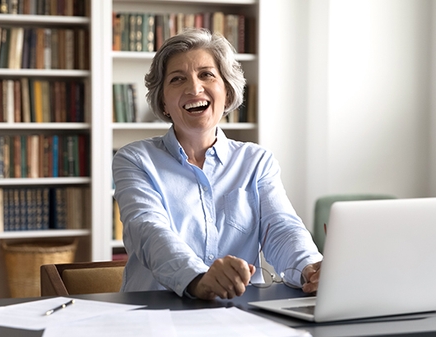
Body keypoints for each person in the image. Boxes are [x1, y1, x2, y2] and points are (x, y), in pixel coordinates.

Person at [112, 28, 322, 300]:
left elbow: (282, 229)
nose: (194, 88)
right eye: (177, 79)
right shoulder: (134, 159)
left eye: (206, 74)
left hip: (240, 314)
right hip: (154, 314)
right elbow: (148, 230)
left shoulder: (256, 162)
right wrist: (198, 278)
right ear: (164, 102)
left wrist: (311, 268)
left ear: (227, 91)